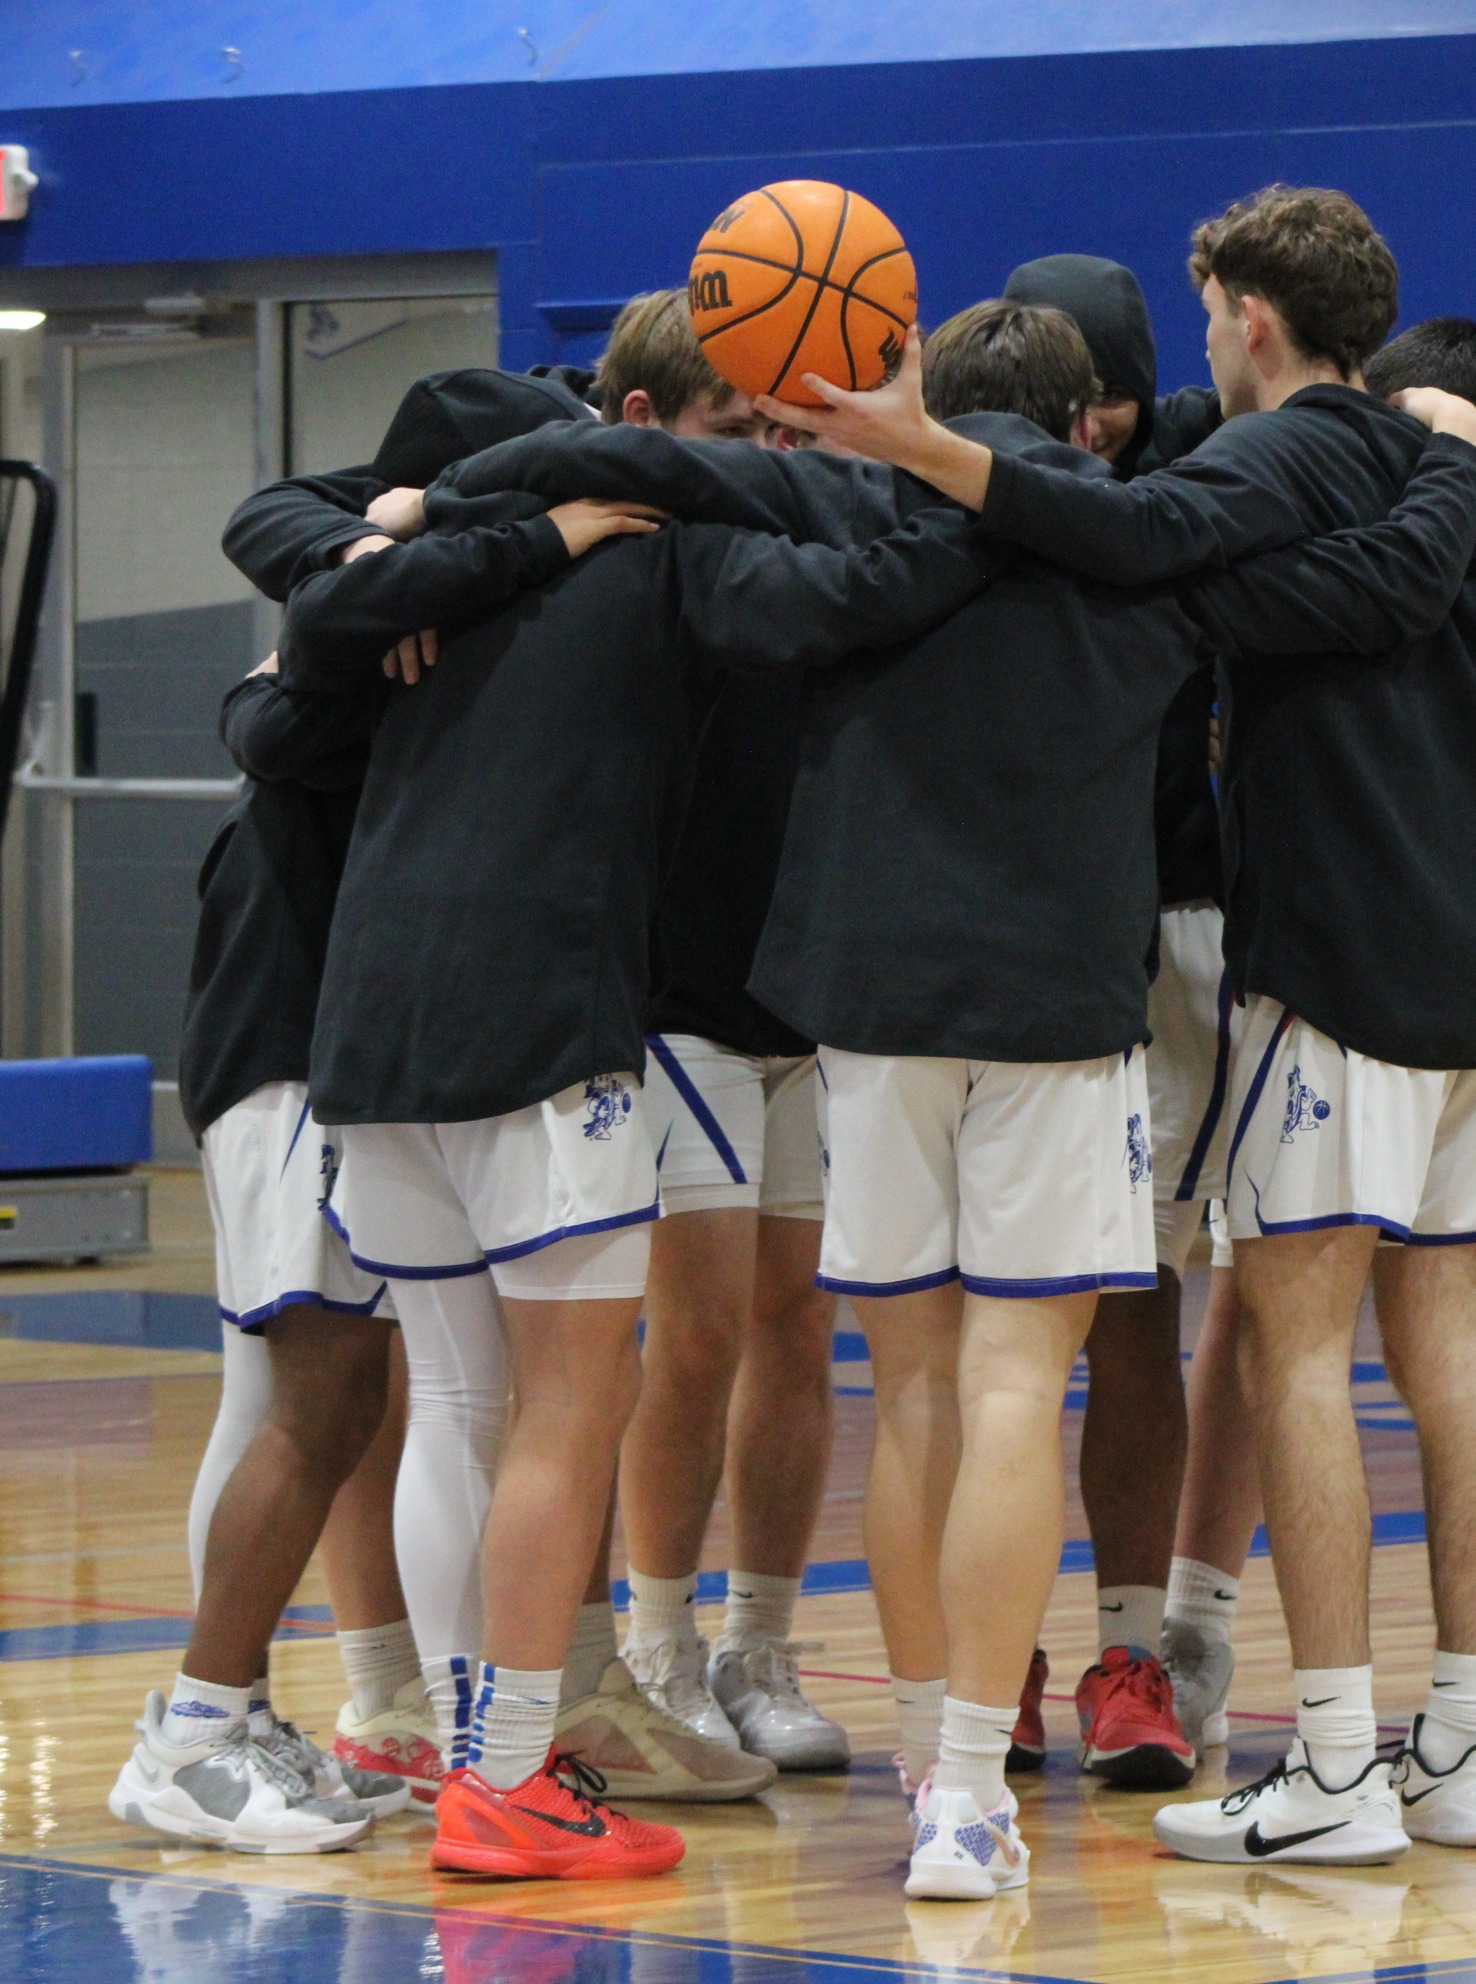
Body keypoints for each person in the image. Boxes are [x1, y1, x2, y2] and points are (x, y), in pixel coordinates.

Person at [433, 289, 1476, 1899]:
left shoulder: (849, 509)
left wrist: (433, 509)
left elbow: (633, 467)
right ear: (1089, 426)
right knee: (1017, 1391)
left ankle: (939, 1746)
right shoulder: (1149, 542)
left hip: (869, 1009)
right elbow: (1388, 585)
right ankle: (961, 1804)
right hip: (1065, 1006)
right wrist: (1451, 463)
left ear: (923, 387)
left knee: (915, 1397)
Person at [772, 187, 1476, 1869]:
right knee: (1446, 1353)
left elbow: (1136, 542)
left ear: (1246, 322)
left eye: (1213, 307)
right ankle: (1452, 1748)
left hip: (1343, 962)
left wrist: (923, 447)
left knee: (1294, 1348)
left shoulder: (1287, 456)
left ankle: (1334, 1762)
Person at [279, 376, 1019, 1882]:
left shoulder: (404, 576)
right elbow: (867, 590)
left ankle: (435, 1743)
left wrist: (426, 525)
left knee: (456, 1400)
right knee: (567, 1403)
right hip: (541, 1000)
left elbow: (297, 613)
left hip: (370, 1012)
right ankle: (507, 1782)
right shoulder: (665, 548)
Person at [109, 369, 597, 1851]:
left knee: (292, 1403)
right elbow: (273, 715)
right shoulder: (357, 655)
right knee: (317, 1407)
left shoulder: (381, 628)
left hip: (295, 1053)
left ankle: (222, 1716)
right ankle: (201, 1723)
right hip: (290, 1062)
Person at [586, 293, 853, 1777]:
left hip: (805, 990)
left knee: (800, 1323)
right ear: (647, 430)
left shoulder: (809, 543)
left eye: (778, 431)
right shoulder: (618, 558)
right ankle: (656, 1643)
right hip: (672, 993)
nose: (764, 459)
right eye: (734, 433)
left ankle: (761, 1643)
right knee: (691, 1334)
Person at [992, 252, 1226, 1788]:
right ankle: (988, 1655)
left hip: (1174, 928)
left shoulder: (1208, 467)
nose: (1099, 438)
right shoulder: (957, 476)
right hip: (992, 941)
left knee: (1143, 1305)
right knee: (983, 1336)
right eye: (1077, 413)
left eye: (1121, 411)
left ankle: (1133, 1656)